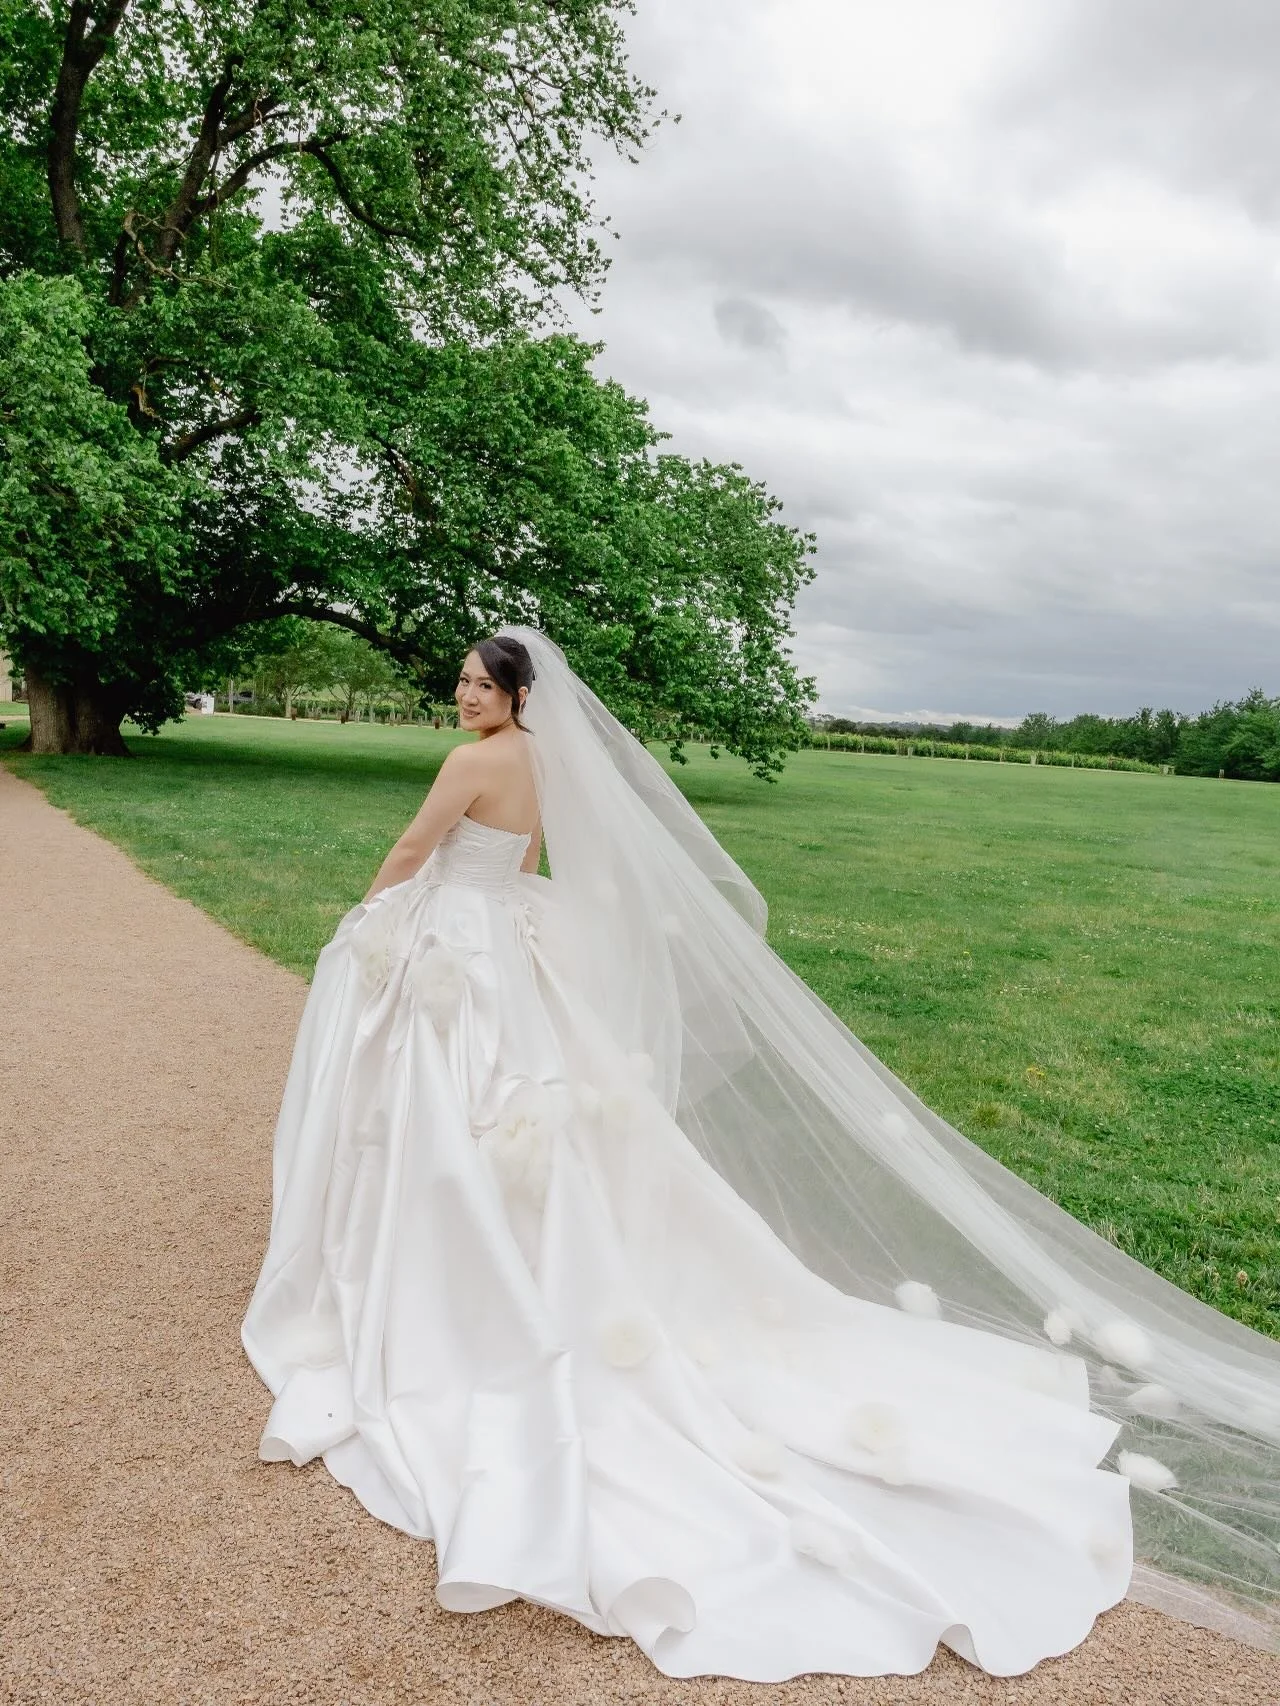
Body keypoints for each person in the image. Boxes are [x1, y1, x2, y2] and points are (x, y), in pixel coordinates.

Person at [242, 628, 1280, 1681]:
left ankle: (454, 1277)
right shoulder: (543, 760)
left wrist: (368, 920)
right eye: (459, 680)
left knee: (448, 1116)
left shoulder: (470, 761)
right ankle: (505, 1257)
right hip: (507, 947)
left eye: (481, 682)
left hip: (460, 952)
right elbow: (525, 862)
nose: (464, 695)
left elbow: (417, 850)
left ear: (516, 693)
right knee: (533, 1127)